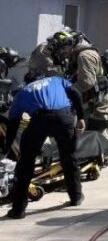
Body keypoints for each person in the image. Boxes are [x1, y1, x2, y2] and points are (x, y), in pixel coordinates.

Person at [3, 74, 85, 219]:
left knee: (25, 164)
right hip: (63, 117)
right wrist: (81, 117)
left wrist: (6, 147)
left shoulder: (23, 92)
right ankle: (76, 197)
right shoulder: (57, 80)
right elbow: (75, 93)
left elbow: (13, 123)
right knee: (69, 157)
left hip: (39, 120)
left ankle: (18, 210)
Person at [46, 30, 108, 139]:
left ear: (70, 44)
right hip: (92, 99)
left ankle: (100, 154)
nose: (61, 52)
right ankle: (100, 154)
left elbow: (86, 82)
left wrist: (67, 92)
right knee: (91, 131)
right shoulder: (77, 54)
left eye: (62, 48)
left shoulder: (84, 56)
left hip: (100, 101)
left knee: (94, 130)